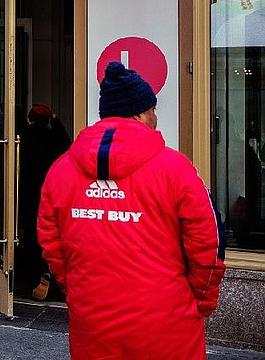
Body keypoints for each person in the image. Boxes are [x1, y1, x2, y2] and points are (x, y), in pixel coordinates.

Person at [38, 61, 226, 359]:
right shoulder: (176, 169)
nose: (156, 117)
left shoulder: (61, 171)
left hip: (92, 324)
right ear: (139, 113)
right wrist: (200, 302)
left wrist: (76, 290)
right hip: (166, 328)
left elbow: (51, 244)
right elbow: (210, 243)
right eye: (152, 110)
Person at [17, 104, 70, 300]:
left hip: (28, 190)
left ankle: (32, 275)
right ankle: (46, 271)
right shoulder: (53, 136)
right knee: (50, 233)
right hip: (50, 189)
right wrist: (56, 120)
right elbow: (66, 142)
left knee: (31, 233)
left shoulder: (24, 135)